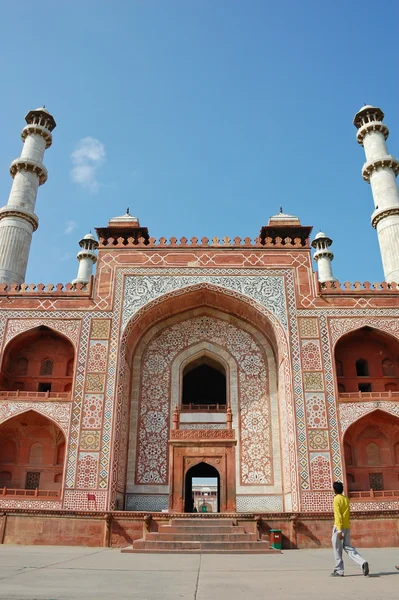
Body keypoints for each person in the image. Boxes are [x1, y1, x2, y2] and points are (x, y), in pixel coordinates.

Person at [330, 481, 369, 577]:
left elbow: (338, 515)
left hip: (339, 527)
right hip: (347, 526)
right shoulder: (346, 499)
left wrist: (339, 530)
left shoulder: (336, 499)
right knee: (348, 547)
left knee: (337, 548)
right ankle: (362, 562)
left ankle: (339, 570)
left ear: (334, 490)